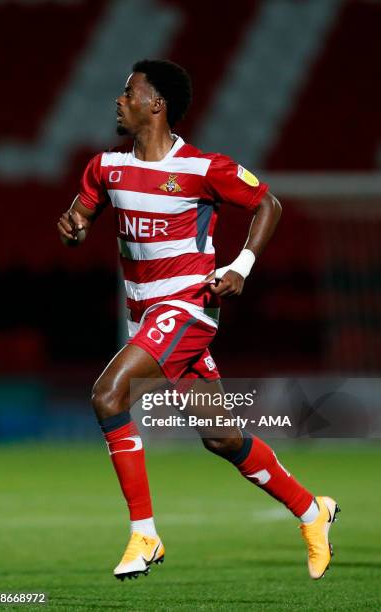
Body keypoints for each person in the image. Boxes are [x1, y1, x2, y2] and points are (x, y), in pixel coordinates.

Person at [57, 59, 339, 582]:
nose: (118, 100)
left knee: (107, 395)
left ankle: (145, 533)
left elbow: (267, 204)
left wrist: (241, 266)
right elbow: (78, 216)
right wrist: (72, 225)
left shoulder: (203, 170)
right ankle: (311, 510)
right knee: (221, 438)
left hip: (187, 309)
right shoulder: (104, 168)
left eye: (128, 92)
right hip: (143, 315)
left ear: (156, 105)